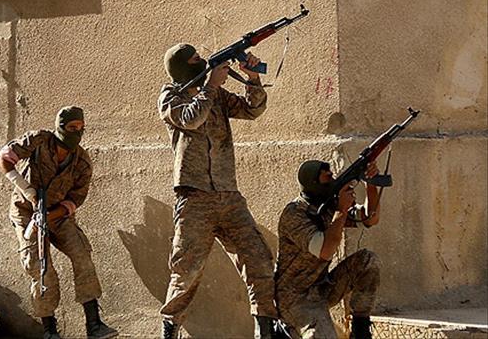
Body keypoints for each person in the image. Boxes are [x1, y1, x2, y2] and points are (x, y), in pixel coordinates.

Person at [158, 43, 279, 339]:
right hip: (194, 197)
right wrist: (210, 85)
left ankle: (266, 327)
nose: (201, 61)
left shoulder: (216, 95)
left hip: (228, 195)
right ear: (182, 67)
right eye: (195, 59)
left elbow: (252, 110)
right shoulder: (171, 96)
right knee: (186, 270)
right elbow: (192, 119)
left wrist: (252, 78)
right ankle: (170, 328)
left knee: (258, 258)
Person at [0, 106, 117, 339]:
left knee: (82, 255)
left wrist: (49, 216)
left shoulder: (81, 161)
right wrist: (26, 190)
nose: (77, 133)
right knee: (40, 267)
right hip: (25, 212)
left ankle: (94, 324)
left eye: (81, 128)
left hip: (58, 215)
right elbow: (2, 159)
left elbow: (75, 199)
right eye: (72, 128)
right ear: (60, 127)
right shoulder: (39, 141)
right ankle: (49, 329)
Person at [275, 159, 381, 339]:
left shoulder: (328, 205)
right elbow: (325, 251)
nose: (333, 180)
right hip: (294, 298)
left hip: (322, 287)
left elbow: (370, 218)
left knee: (367, 261)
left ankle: (360, 330)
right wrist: (341, 210)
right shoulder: (295, 213)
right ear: (314, 184)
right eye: (327, 177)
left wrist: (370, 184)